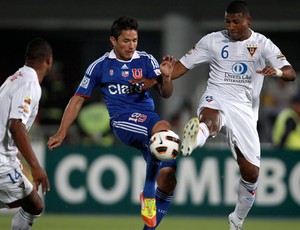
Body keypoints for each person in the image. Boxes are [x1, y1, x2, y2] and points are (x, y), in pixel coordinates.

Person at [131, 1, 297, 229]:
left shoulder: (262, 44)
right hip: (216, 96)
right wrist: (152, 81)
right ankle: (194, 138)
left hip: (245, 110)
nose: (231, 26)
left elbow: (290, 73)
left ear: (248, 21)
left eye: (236, 22)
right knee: (211, 120)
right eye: (228, 21)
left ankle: (236, 220)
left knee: (251, 174)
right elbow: (181, 66)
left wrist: (276, 71)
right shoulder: (212, 41)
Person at [47, 16, 179, 229]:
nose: (131, 45)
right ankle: (148, 192)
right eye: (126, 41)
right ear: (113, 41)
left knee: (169, 175)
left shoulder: (147, 60)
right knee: (164, 129)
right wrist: (62, 132)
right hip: (122, 121)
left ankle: (149, 221)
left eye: (135, 40)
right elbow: (78, 98)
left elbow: (166, 94)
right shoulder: (100, 66)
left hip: (148, 121)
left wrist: (166, 78)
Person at [0, 37, 52, 229]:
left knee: (30, 202)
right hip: (1, 162)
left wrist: (16, 160)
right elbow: (16, 125)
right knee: (34, 204)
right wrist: (35, 166)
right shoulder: (30, 83)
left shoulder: (15, 78)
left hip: (5, 159)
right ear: (49, 60)